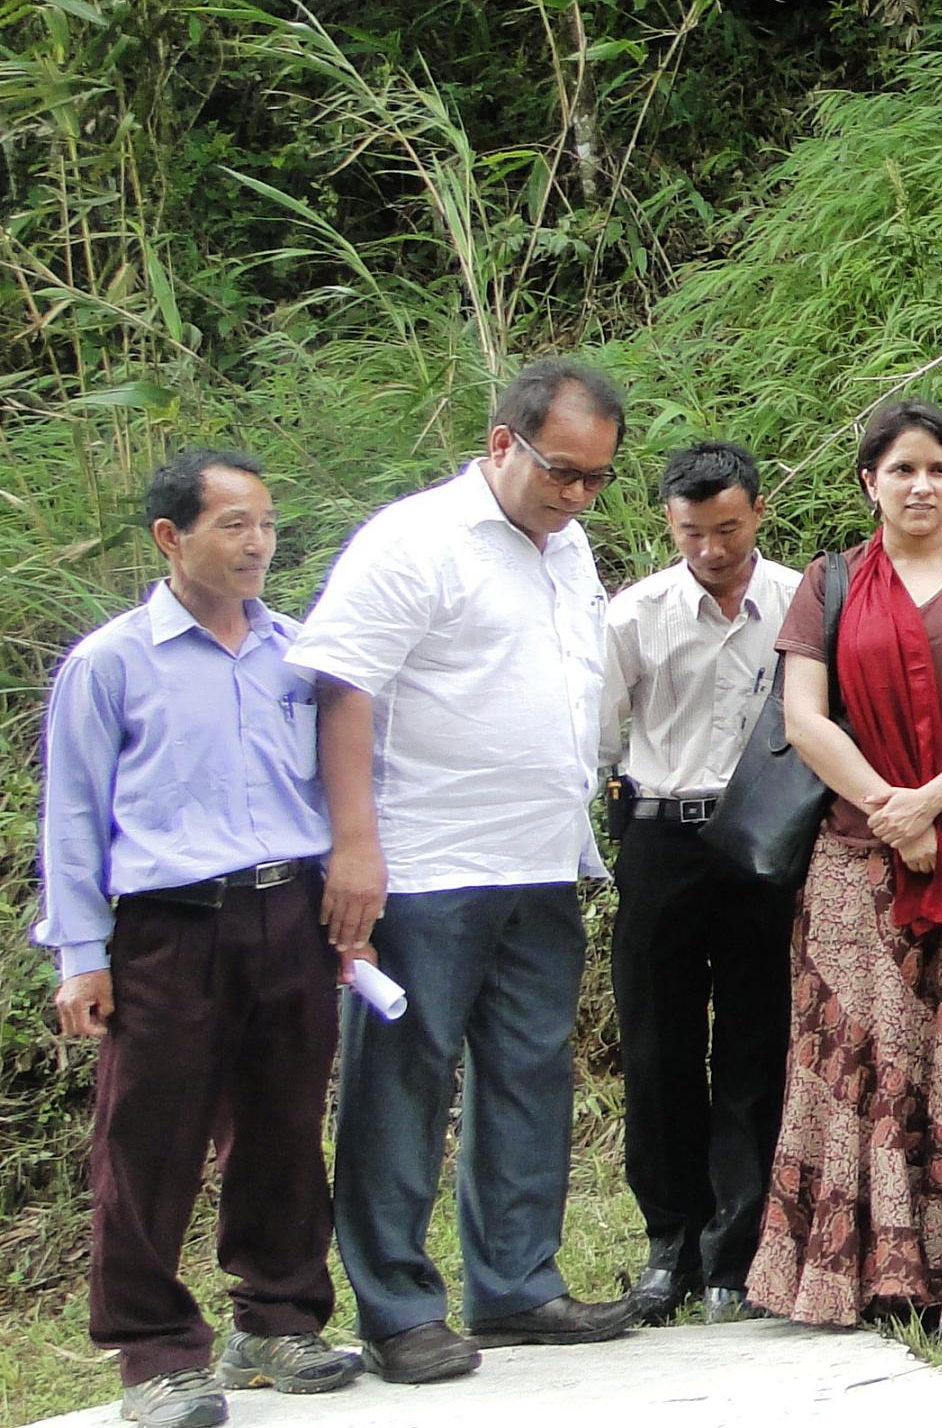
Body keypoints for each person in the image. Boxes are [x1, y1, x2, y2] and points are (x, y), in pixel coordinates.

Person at [291, 358, 636, 1384]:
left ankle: (518, 1282)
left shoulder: (566, 548)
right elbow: (342, 685)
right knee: (404, 1079)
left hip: (539, 858)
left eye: (597, 481)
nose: (576, 496)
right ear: (502, 444)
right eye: (561, 472)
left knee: (529, 1070)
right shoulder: (413, 541)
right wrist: (354, 847)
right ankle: (398, 1306)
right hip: (427, 860)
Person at [37, 451, 360, 1428]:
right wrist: (80, 955)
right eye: (232, 524)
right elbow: (74, 818)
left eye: (265, 521)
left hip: (288, 911)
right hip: (167, 928)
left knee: (284, 1127)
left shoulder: (298, 654)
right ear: (171, 539)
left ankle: (276, 1319)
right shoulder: (111, 662)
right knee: (149, 1141)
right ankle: (154, 1356)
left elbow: (338, 790)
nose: (258, 541)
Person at [749, 400, 942, 1325]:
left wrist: (932, 802)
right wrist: (889, 807)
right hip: (851, 858)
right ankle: (854, 1266)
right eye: (903, 470)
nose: (923, 486)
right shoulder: (827, 583)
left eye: (940, 471)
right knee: (857, 1056)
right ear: (868, 481)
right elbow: (804, 717)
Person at [600, 440, 801, 1326]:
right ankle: (667, 1240)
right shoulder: (635, 614)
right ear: (669, 525)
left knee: (757, 1043)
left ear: (756, 512)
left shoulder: (800, 603)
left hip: (763, 838)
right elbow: (600, 739)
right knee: (657, 1046)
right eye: (692, 533)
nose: (712, 550)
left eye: (727, 528)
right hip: (661, 836)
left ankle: (738, 1248)